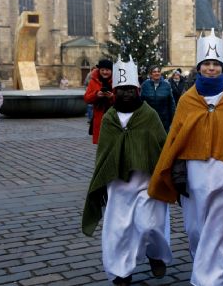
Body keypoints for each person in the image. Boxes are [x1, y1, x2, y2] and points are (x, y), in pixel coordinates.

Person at [147, 28, 223, 286]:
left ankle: (210, 278)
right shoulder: (188, 100)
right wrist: (176, 174)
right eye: (207, 64)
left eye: (215, 64)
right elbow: (176, 139)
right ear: (200, 67)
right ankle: (204, 264)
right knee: (196, 230)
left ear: (222, 67)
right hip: (195, 175)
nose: (211, 68)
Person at [82, 56, 172, 286]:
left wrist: (169, 176)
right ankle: (121, 271)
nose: (126, 94)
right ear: (114, 91)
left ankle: (155, 254)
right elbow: (104, 153)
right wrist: (100, 182)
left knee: (149, 224)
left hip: (146, 183)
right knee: (119, 229)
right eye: (121, 90)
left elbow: (162, 147)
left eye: (130, 89)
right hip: (119, 184)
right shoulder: (111, 118)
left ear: (138, 89)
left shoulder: (149, 115)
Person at [83, 59, 114, 144]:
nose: (104, 72)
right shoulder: (93, 81)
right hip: (100, 116)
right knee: (102, 144)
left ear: (111, 70)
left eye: (107, 70)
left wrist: (112, 97)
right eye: (102, 70)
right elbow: (86, 98)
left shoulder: (117, 81)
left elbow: (124, 99)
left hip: (115, 117)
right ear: (99, 70)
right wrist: (96, 95)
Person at [140, 65, 176, 131]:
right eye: (154, 72)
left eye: (158, 71)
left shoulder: (166, 85)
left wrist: (173, 119)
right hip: (149, 119)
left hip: (164, 120)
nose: (157, 73)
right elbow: (141, 102)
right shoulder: (145, 85)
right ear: (150, 74)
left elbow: (171, 103)